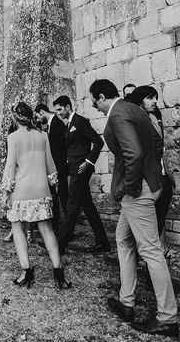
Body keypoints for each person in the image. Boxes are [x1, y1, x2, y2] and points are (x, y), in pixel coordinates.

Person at [90, 79, 178, 337]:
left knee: (150, 250)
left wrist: (129, 188)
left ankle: (167, 317)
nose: (95, 106)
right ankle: (126, 302)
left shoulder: (117, 114)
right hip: (151, 183)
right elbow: (154, 143)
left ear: (102, 96)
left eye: (94, 101)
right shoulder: (136, 110)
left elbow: (134, 154)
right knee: (123, 240)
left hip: (138, 190)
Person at [1, 102, 71, 289]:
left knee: (17, 228)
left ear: (15, 117)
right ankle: (58, 272)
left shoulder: (13, 137)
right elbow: (50, 163)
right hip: (41, 189)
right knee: (46, 229)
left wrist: (6, 191)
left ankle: (27, 271)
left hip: (21, 189)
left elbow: (10, 166)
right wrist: (54, 184)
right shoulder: (43, 135)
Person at [53, 95, 110, 255]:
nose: (58, 113)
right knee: (88, 207)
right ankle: (103, 243)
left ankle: (59, 247)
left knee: (71, 207)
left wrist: (88, 162)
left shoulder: (80, 121)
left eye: (60, 110)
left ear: (67, 107)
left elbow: (98, 142)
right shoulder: (69, 124)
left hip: (81, 171)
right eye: (56, 111)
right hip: (74, 169)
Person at [126, 86, 174, 259]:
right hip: (149, 181)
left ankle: (155, 264)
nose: (155, 101)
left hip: (160, 178)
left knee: (157, 225)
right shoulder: (137, 122)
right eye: (150, 98)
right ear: (140, 101)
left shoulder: (153, 118)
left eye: (155, 97)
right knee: (148, 231)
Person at [34, 103, 68, 227]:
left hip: (60, 165)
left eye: (37, 116)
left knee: (63, 196)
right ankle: (58, 225)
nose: (37, 120)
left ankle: (67, 227)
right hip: (55, 165)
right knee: (57, 196)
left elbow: (62, 146)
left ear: (42, 112)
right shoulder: (50, 125)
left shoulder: (56, 124)